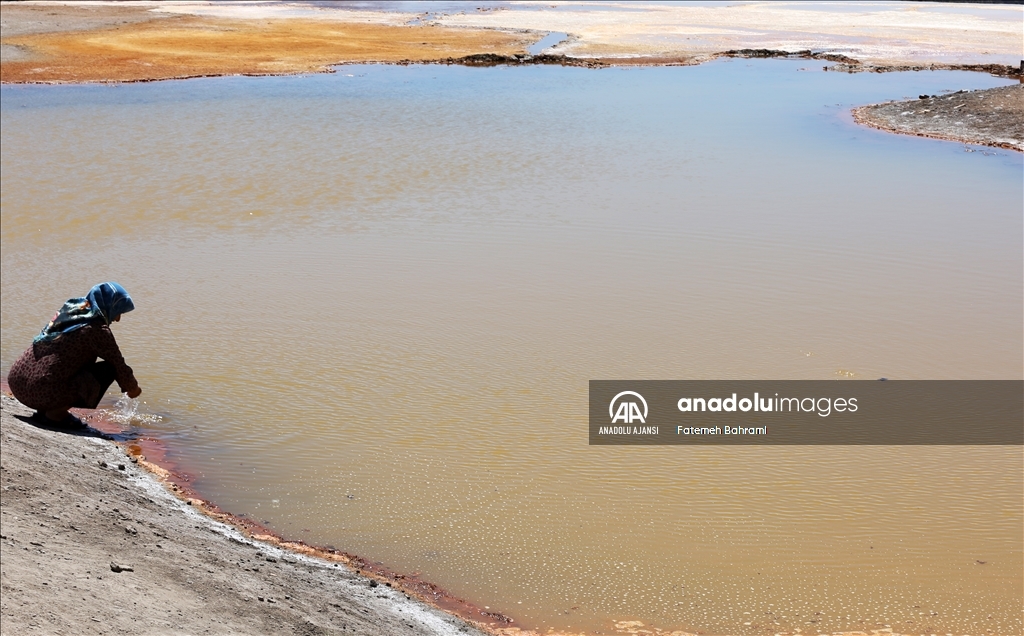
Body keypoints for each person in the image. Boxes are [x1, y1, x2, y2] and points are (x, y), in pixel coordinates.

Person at [8, 282, 142, 426]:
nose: (117, 319)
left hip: (18, 384)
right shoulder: (96, 329)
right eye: (118, 312)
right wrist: (132, 388)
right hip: (41, 393)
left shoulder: (71, 312)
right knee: (108, 369)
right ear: (109, 306)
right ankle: (55, 414)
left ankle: (45, 410)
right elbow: (118, 364)